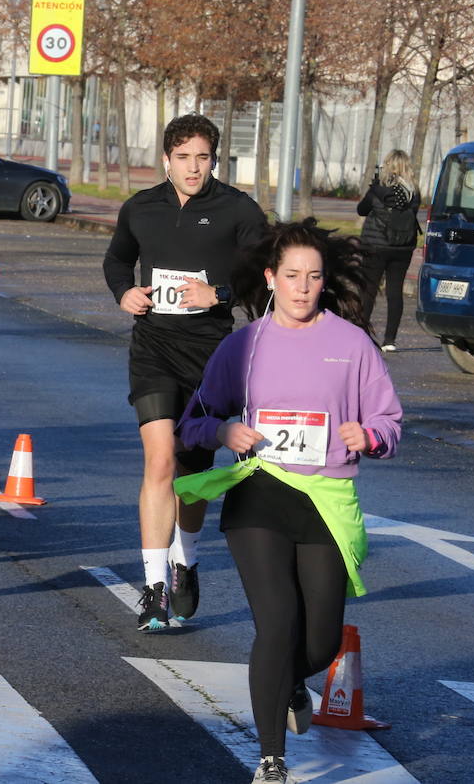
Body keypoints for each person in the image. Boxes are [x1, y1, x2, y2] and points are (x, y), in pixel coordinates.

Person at [176, 219, 401, 784]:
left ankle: (291, 680)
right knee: (276, 624)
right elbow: (193, 422)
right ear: (271, 278)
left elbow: (389, 421)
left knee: (320, 642)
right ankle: (271, 758)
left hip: (325, 499)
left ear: (325, 282)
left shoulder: (351, 345)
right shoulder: (243, 345)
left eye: (314, 277)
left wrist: (369, 437)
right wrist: (224, 431)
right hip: (260, 495)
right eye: (292, 276)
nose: (302, 287)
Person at [102, 113, 267, 632]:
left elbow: (265, 280)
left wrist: (217, 294)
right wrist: (123, 293)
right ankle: (152, 588)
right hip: (153, 347)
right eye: (183, 158)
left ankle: (185, 560)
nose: (193, 168)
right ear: (166, 160)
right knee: (159, 459)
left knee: (192, 479)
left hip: (211, 356)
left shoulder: (238, 211)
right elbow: (116, 262)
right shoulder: (141, 208)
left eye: (203, 157)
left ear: (214, 160)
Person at [356, 149, 420, 352]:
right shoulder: (413, 192)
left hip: (375, 245)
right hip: (403, 247)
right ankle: (390, 340)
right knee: (395, 292)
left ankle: (361, 334)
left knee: (369, 290)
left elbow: (362, 210)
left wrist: (373, 191)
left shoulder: (378, 188)